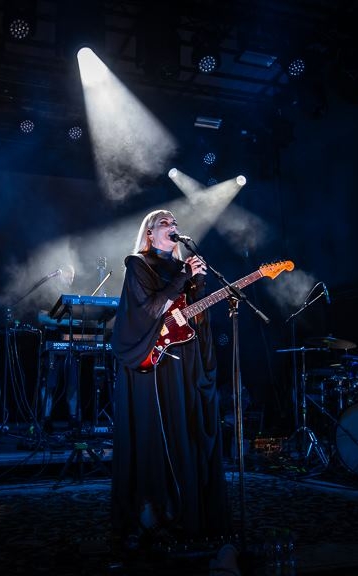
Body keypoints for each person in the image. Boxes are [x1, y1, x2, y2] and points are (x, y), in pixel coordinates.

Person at [109, 209, 230, 551]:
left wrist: (198, 283)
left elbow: (193, 317)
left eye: (174, 222)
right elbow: (150, 310)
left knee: (185, 427)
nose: (172, 226)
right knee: (159, 433)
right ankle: (155, 510)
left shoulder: (181, 267)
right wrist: (183, 277)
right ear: (149, 233)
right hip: (154, 361)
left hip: (184, 361)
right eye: (164, 223)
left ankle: (190, 509)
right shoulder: (138, 264)